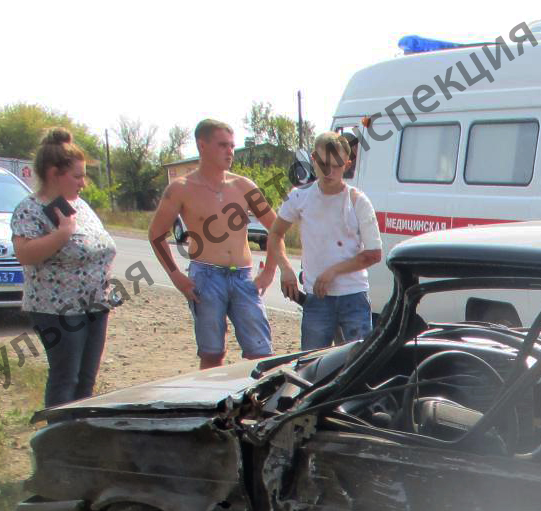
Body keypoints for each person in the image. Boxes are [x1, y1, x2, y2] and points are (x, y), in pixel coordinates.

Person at [147, 118, 281, 368]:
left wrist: (270, 271)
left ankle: (257, 403)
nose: (230, 151)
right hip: (206, 276)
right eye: (222, 145)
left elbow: (277, 228)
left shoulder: (243, 185)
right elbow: (156, 234)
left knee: (260, 353)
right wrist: (175, 274)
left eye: (232, 146)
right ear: (202, 145)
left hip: (242, 276)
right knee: (212, 353)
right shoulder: (181, 188)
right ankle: (212, 404)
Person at [10, 129, 117, 406]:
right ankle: (56, 442)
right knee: (65, 377)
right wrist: (62, 233)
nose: (84, 182)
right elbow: (24, 254)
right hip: (56, 309)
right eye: (78, 176)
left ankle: (79, 438)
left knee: (86, 379)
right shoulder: (30, 208)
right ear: (54, 173)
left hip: (95, 305)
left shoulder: (80, 205)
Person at [268, 132, 382, 350]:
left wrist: (333, 271)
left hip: (353, 297)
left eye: (336, 165)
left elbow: (374, 253)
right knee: (311, 368)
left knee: (356, 367)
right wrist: (285, 269)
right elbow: (275, 234)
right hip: (316, 299)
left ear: (348, 164)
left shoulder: (357, 200)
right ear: (313, 159)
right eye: (323, 164)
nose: (329, 171)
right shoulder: (299, 197)